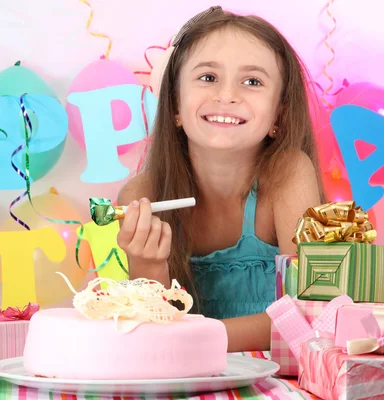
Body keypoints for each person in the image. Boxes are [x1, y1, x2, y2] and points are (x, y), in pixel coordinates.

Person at [116, 6, 324, 352]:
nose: (227, 95)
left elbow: (309, 315)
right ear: (175, 105)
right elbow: (152, 339)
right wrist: (148, 265)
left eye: (252, 81)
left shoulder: (288, 174)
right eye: (208, 77)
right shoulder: (143, 194)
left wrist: (192, 337)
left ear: (279, 114)